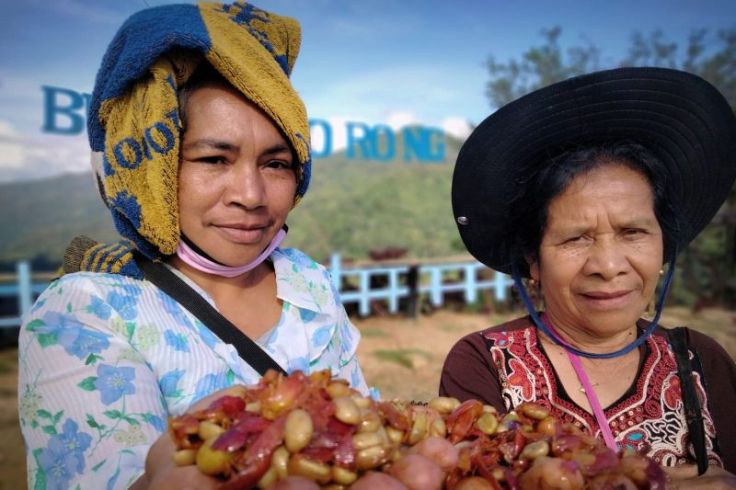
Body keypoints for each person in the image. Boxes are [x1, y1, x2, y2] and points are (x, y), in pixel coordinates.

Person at [17, 2, 368, 489]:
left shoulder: (306, 282)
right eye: (213, 159)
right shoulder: (87, 312)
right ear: (151, 170)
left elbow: (363, 430)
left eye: (276, 164)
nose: (250, 195)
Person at [440, 67, 736, 488]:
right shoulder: (482, 365)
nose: (609, 265)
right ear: (533, 261)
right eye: (576, 238)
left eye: (633, 232)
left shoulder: (702, 362)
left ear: (663, 246)